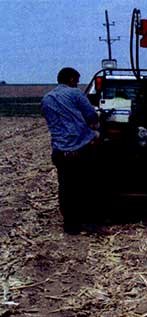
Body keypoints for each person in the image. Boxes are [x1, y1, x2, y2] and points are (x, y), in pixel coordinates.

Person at [41, 67, 106, 235]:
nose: (76, 84)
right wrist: (96, 128)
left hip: (60, 151)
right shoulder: (75, 94)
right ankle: (91, 223)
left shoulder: (46, 99)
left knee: (66, 187)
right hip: (80, 149)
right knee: (87, 186)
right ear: (70, 80)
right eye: (76, 81)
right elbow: (92, 116)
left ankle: (70, 225)